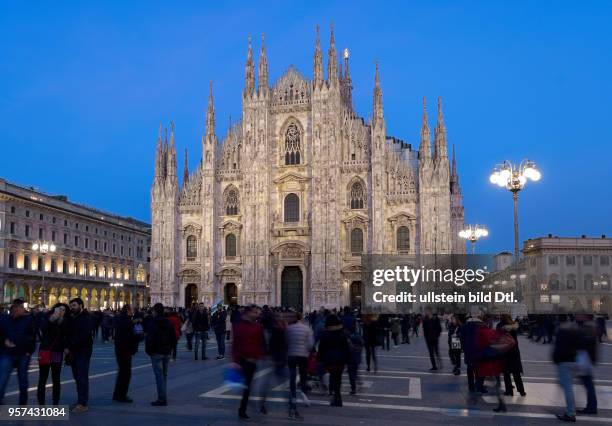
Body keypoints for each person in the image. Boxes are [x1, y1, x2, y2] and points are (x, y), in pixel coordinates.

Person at [0, 299, 36, 405]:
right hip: (7, 353)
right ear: (14, 308)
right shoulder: (4, 319)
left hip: (23, 354)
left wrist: (29, 351)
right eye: (19, 307)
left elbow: (33, 336)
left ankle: (23, 404)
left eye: (21, 308)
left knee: (23, 380)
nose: (21, 309)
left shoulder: (28, 319)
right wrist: (3, 341)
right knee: (2, 379)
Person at [232, 305, 264, 420]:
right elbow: (235, 344)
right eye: (255, 312)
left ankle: (244, 407)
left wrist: (259, 356)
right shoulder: (238, 325)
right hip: (241, 360)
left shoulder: (258, 327)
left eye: (258, 313)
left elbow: (260, 343)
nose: (257, 314)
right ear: (248, 313)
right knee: (245, 386)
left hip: (252, 361)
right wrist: (235, 361)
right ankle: (243, 409)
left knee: (247, 386)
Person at [65, 298, 94, 413]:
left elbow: (82, 336)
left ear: (81, 305)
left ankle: (83, 403)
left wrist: (69, 346)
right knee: (77, 377)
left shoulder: (86, 318)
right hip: (74, 352)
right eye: (71, 306)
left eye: (74, 305)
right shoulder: (72, 318)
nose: (72, 308)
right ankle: (80, 400)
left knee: (82, 377)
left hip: (83, 352)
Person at [145, 303, 177, 406]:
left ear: (155, 311)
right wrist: (171, 349)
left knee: (159, 376)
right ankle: (163, 396)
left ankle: (162, 399)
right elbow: (173, 337)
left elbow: (149, 338)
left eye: (153, 311)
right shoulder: (168, 322)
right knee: (164, 375)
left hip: (156, 353)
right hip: (166, 352)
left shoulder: (153, 322)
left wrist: (149, 351)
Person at [37, 303, 68, 405]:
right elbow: (43, 330)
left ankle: (56, 402)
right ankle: (41, 402)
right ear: (55, 309)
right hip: (45, 351)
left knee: (56, 378)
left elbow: (66, 336)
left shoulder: (65, 322)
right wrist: (53, 318)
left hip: (57, 352)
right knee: (43, 378)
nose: (61, 311)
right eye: (59, 309)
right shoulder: (46, 318)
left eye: (63, 310)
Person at [317, 314, 350, 407]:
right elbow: (346, 348)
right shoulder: (343, 334)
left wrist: (319, 359)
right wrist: (348, 359)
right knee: (338, 378)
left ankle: (335, 396)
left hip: (329, 360)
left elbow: (321, 348)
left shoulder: (325, 334)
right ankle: (338, 396)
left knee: (333, 376)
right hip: (340, 360)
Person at [553, 314, 581, 422]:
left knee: (567, 388)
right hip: (573, 360)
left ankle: (570, 413)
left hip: (564, 361)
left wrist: (555, 359)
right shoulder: (574, 329)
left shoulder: (561, 331)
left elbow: (558, 348)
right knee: (567, 386)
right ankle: (571, 409)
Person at [286, 311, 314, 418]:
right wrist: (305, 350)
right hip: (303, 356)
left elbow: (286, 342)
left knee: (292, 377)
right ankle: (303, 392)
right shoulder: (307, 329)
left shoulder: (289, 328)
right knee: (303, 375)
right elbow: (311, 344)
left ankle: (293, 395)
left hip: (292, 355)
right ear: (301, 318)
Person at [113, 304, 140, 403]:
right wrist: (139, 334)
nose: (133, 311)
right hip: (126, 350)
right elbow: (133, 336)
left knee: (121, 372)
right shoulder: (128, 321)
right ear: (128, 310)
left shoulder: (120, 319)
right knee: (126, 373)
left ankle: (117, 394)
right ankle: (122, 395)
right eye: (132, 309)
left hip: (119, 349)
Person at [497, 315, 526, 397]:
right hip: (514, 351)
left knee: (506, 373)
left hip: (505, 351)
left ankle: (509, 391)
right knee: (516, 373)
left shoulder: (500, 325)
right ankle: (521, 391)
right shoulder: (513, 325)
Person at [575, 314, 598, 415]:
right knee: (588, 383)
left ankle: (592, 407)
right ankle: (591, 406)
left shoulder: (588, 327)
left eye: (580, 315)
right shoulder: (590, 326)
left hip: (585, 358)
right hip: (587, 358)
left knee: (588, 383)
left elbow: (584, 342)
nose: (577, 316)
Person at [347, 325, 364, 395]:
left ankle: (353, 388)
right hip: (357, 357)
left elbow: (348, 349)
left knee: (351, 374)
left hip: (350, 358)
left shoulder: (349, 338)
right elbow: (362, 343)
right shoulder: (359, 336)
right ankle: (356, 384)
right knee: (355, 371)